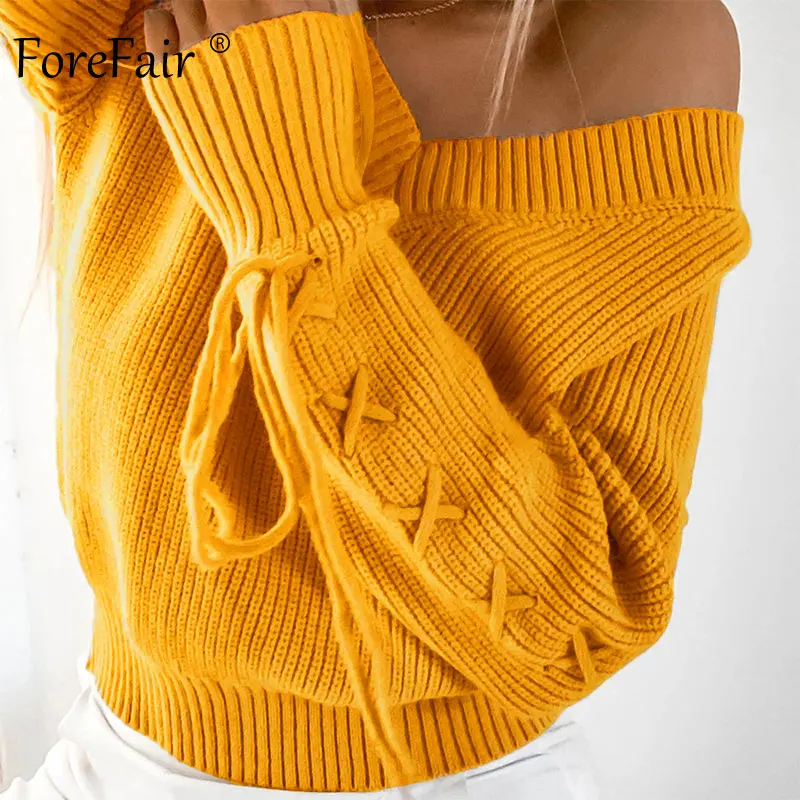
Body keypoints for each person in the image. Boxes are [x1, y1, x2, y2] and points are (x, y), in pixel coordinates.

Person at [0, 0, 750, 797]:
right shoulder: (115, 18)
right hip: (110, 757)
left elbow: (580, 624)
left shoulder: (645, 44)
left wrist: (302, 213)